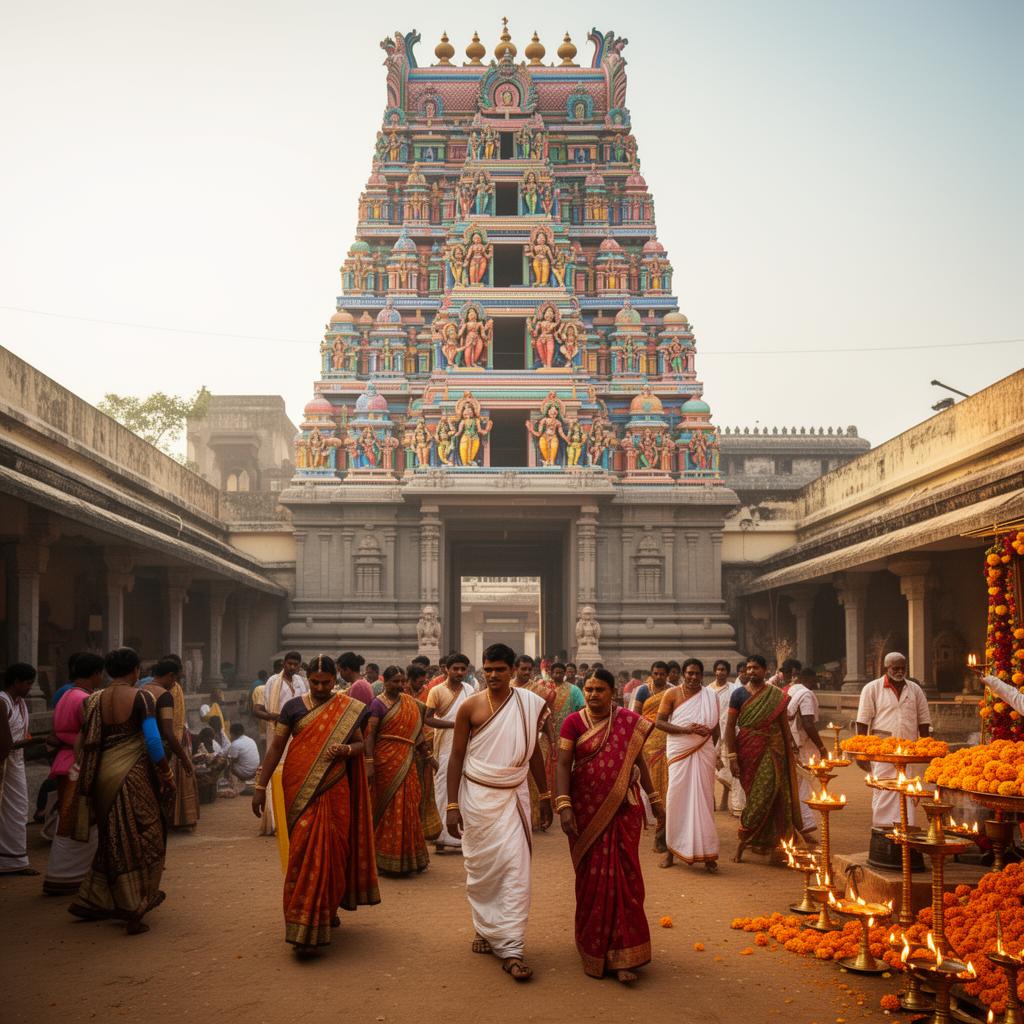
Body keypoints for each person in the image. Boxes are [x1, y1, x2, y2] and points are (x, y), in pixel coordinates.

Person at [252, 654, 379, 954]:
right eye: (315, 682)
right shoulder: (293, 708)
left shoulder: (347, 708)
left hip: (336, 788)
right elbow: (276, 749)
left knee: (334, 851)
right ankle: (301, 923)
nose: (321, 687)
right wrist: (260, 785)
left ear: (336, 681)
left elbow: (361, 744)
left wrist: (347, 749)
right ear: (307, 680)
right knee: (303, 852)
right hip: (299, 788)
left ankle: (325, 910)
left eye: (327, 682)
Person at [446, 643, 551, 981]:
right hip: (477, 798)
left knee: (515, 870)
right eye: (488, 669)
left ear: (512, 671)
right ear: (482, 669)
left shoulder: (530, 704)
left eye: (500, 670)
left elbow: (534, 753)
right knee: (482, 872)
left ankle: (512, 946)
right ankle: (486, 927)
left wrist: (546, 794)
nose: (493, 675)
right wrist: (451, 805)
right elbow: (457, 757)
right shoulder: (469, 707)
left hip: (514, 796)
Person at [556, 668, 660, 982]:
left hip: (623, 810)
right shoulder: (572, 722)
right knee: (591, 882)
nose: (592, 695)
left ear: (612, 692)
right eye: (588, 689)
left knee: (626, 878)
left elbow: (638, 759)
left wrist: (654, 797)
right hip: (586, 812)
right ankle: (593, 946)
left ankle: (625, 955)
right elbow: (563, 764)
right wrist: (563, 804)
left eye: (599, 689)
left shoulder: (628, 722)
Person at [68, 647, 173, 934]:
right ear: (135, 670)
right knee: (147, 834)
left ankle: (95, 898)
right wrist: (167, 772)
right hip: (132, 774)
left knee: (112, 836)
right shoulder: (142, 697)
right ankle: (134, 905)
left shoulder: (94, 700)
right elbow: (153, 741)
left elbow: (83, 742)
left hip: (100, 777)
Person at [724, 655, 804, 862]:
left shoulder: (776, 695)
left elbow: (784, 726)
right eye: (749, 668)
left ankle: (752, 842)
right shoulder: (738, 695)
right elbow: (730, 727)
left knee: (771, 794)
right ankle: (758, 841)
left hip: (773, 749)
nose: (751, 671)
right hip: (747, 750)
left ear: (765, 670)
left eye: (756, 668)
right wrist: (731, 757)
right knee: (754, 795)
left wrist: (791, 749)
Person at [43, 653, 105, 894]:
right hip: (79, 763)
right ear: (95, 674)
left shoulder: (66, 695)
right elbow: (89, 736)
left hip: (63, 761)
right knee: (79, 820)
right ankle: (72, 874)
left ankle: (63, 872)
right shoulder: (85, 699)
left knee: (67, 818)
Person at [365, 666, 432, 875]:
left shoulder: (410, 703)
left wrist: (429, 757)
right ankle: (384, 859)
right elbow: (369, 735)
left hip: (408, 761)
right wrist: (368, 762)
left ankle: (410, 858)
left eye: (403, 681)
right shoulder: (377, 704)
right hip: (385, 762)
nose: (401, 685)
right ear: (385, 682)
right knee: (387, 808)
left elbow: (417, 734)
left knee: (409, 805)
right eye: (395, 681)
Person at [657, 658, 721, 871]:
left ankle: (708, 854)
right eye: (689, 673)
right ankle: (671, 852)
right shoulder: (671, 694)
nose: (693, 677)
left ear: (703, 676)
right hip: (679, 752)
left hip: (705, 752)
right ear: (683, 674)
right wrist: (687, 730)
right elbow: (660, 722)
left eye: (697, 674)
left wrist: (714, 748)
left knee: (703, 800)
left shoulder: (710, 696)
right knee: (675, 799)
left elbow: (716, 727)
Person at [855, 652, 932, 828]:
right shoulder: (872, 688)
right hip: (881, 750)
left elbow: (924, 720)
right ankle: (883, 830)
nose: (899, 671)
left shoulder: (915, 689)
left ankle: (907, 827)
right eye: (895, 668)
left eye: (902, 668)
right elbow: (862, 721)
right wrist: (861, 754)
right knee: (883, 788)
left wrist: (926, 748)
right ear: (886, 668)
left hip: (908, 752)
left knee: (907, 788)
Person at [252, 651, 309, 836]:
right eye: (289, 664)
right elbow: (259, 710)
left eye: (295, 664)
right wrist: (275, 717)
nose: (292, 667)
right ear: (284, 663)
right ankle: (275, 819)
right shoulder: (271, 682)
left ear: (300, 666)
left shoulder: (302, 682)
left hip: (299, 733)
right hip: (277, 732)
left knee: (296, 771)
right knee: (275, 769)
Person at [424, 653, 475, 854]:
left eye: (463, 669)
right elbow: (428, 719)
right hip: (444, 747)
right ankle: (442, 836)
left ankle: (461, 838)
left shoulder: (470, 690)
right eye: (456, 668)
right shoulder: (436, 691)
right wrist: (455, 725)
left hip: (467, 747)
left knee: (465, 789)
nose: (459, 672)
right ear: (447, 669)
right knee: (443, 789)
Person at [143, 657, 199, 825]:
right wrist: (184, 758)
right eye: (176, 678)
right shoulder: (165, 695)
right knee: (160, 793)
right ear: (170, 676)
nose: (175, 683)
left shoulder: (141, 690)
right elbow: (168, 731)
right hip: (159, 751)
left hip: (139, 752)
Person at [1, 664, 41, 876]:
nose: (29, 687)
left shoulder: (20, 704)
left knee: (17, 808)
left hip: (16, 761)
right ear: (16, 682)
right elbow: (6, 742)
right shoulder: (3, 701)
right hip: (5, 762)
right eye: (27, 683)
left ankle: (14, 860)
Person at [512, 654, 556, 830]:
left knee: (534, 778)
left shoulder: (540, 692)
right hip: (510, 742)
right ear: (515, 669)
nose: (527, 672)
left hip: (534, 740)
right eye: (523, 669)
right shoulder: (505, 689)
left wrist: (552, 742)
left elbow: (546, 720)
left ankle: (535, 818)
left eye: (530, 669)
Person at [787, 667, 828, 836]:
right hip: (798, 745)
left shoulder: (792, 690)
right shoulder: (806, 694)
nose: (815, 683)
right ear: (809, 679)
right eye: (814, 680)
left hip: (790, 742)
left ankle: (797, 825)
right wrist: (821, 747)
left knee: (795, 785)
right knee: (802, 785)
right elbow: (808, 723)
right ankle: (803, 826)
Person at [637, 661, 673, 853]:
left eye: (662, 674)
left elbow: (676, 717)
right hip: (647, 742)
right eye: (655, 673)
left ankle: (665, 831)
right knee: (651, 784)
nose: (658, 676)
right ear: (651, 674)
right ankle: (658, 826)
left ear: (667, 675)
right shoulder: (643, 691)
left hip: (670, 744)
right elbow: (636, 716)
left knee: (668, 787)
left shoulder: (673, 692)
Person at [709, 659, 744, 815]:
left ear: (728, 673)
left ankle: (730, 802)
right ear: (714, 671)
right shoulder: (708, 690)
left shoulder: (735, 689)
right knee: (711, 770)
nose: (720, 672)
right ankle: (712, 801)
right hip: (713, 734)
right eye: (718, 669)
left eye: (723, 670)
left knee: (731, 768)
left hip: (731, 734)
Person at [545, 661, 584, 796]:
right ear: (550, 673)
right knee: (546, 763)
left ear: (565, 674)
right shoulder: (544, 689)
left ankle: (563, 795)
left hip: (566, 735)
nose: (558, 675)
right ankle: (548, 795)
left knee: (565, 763)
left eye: (561, 673)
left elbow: (582, 709)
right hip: (545, 735)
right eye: (555, 673)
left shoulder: (574, 690)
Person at [225, 723, 260, 792]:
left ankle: (233, 787)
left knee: (228, 764)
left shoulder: (235, 744)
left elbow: (233, 760)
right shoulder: (250, 740)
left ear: (232, 733)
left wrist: (227, 769)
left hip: (245, 773)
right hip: (254, 770)